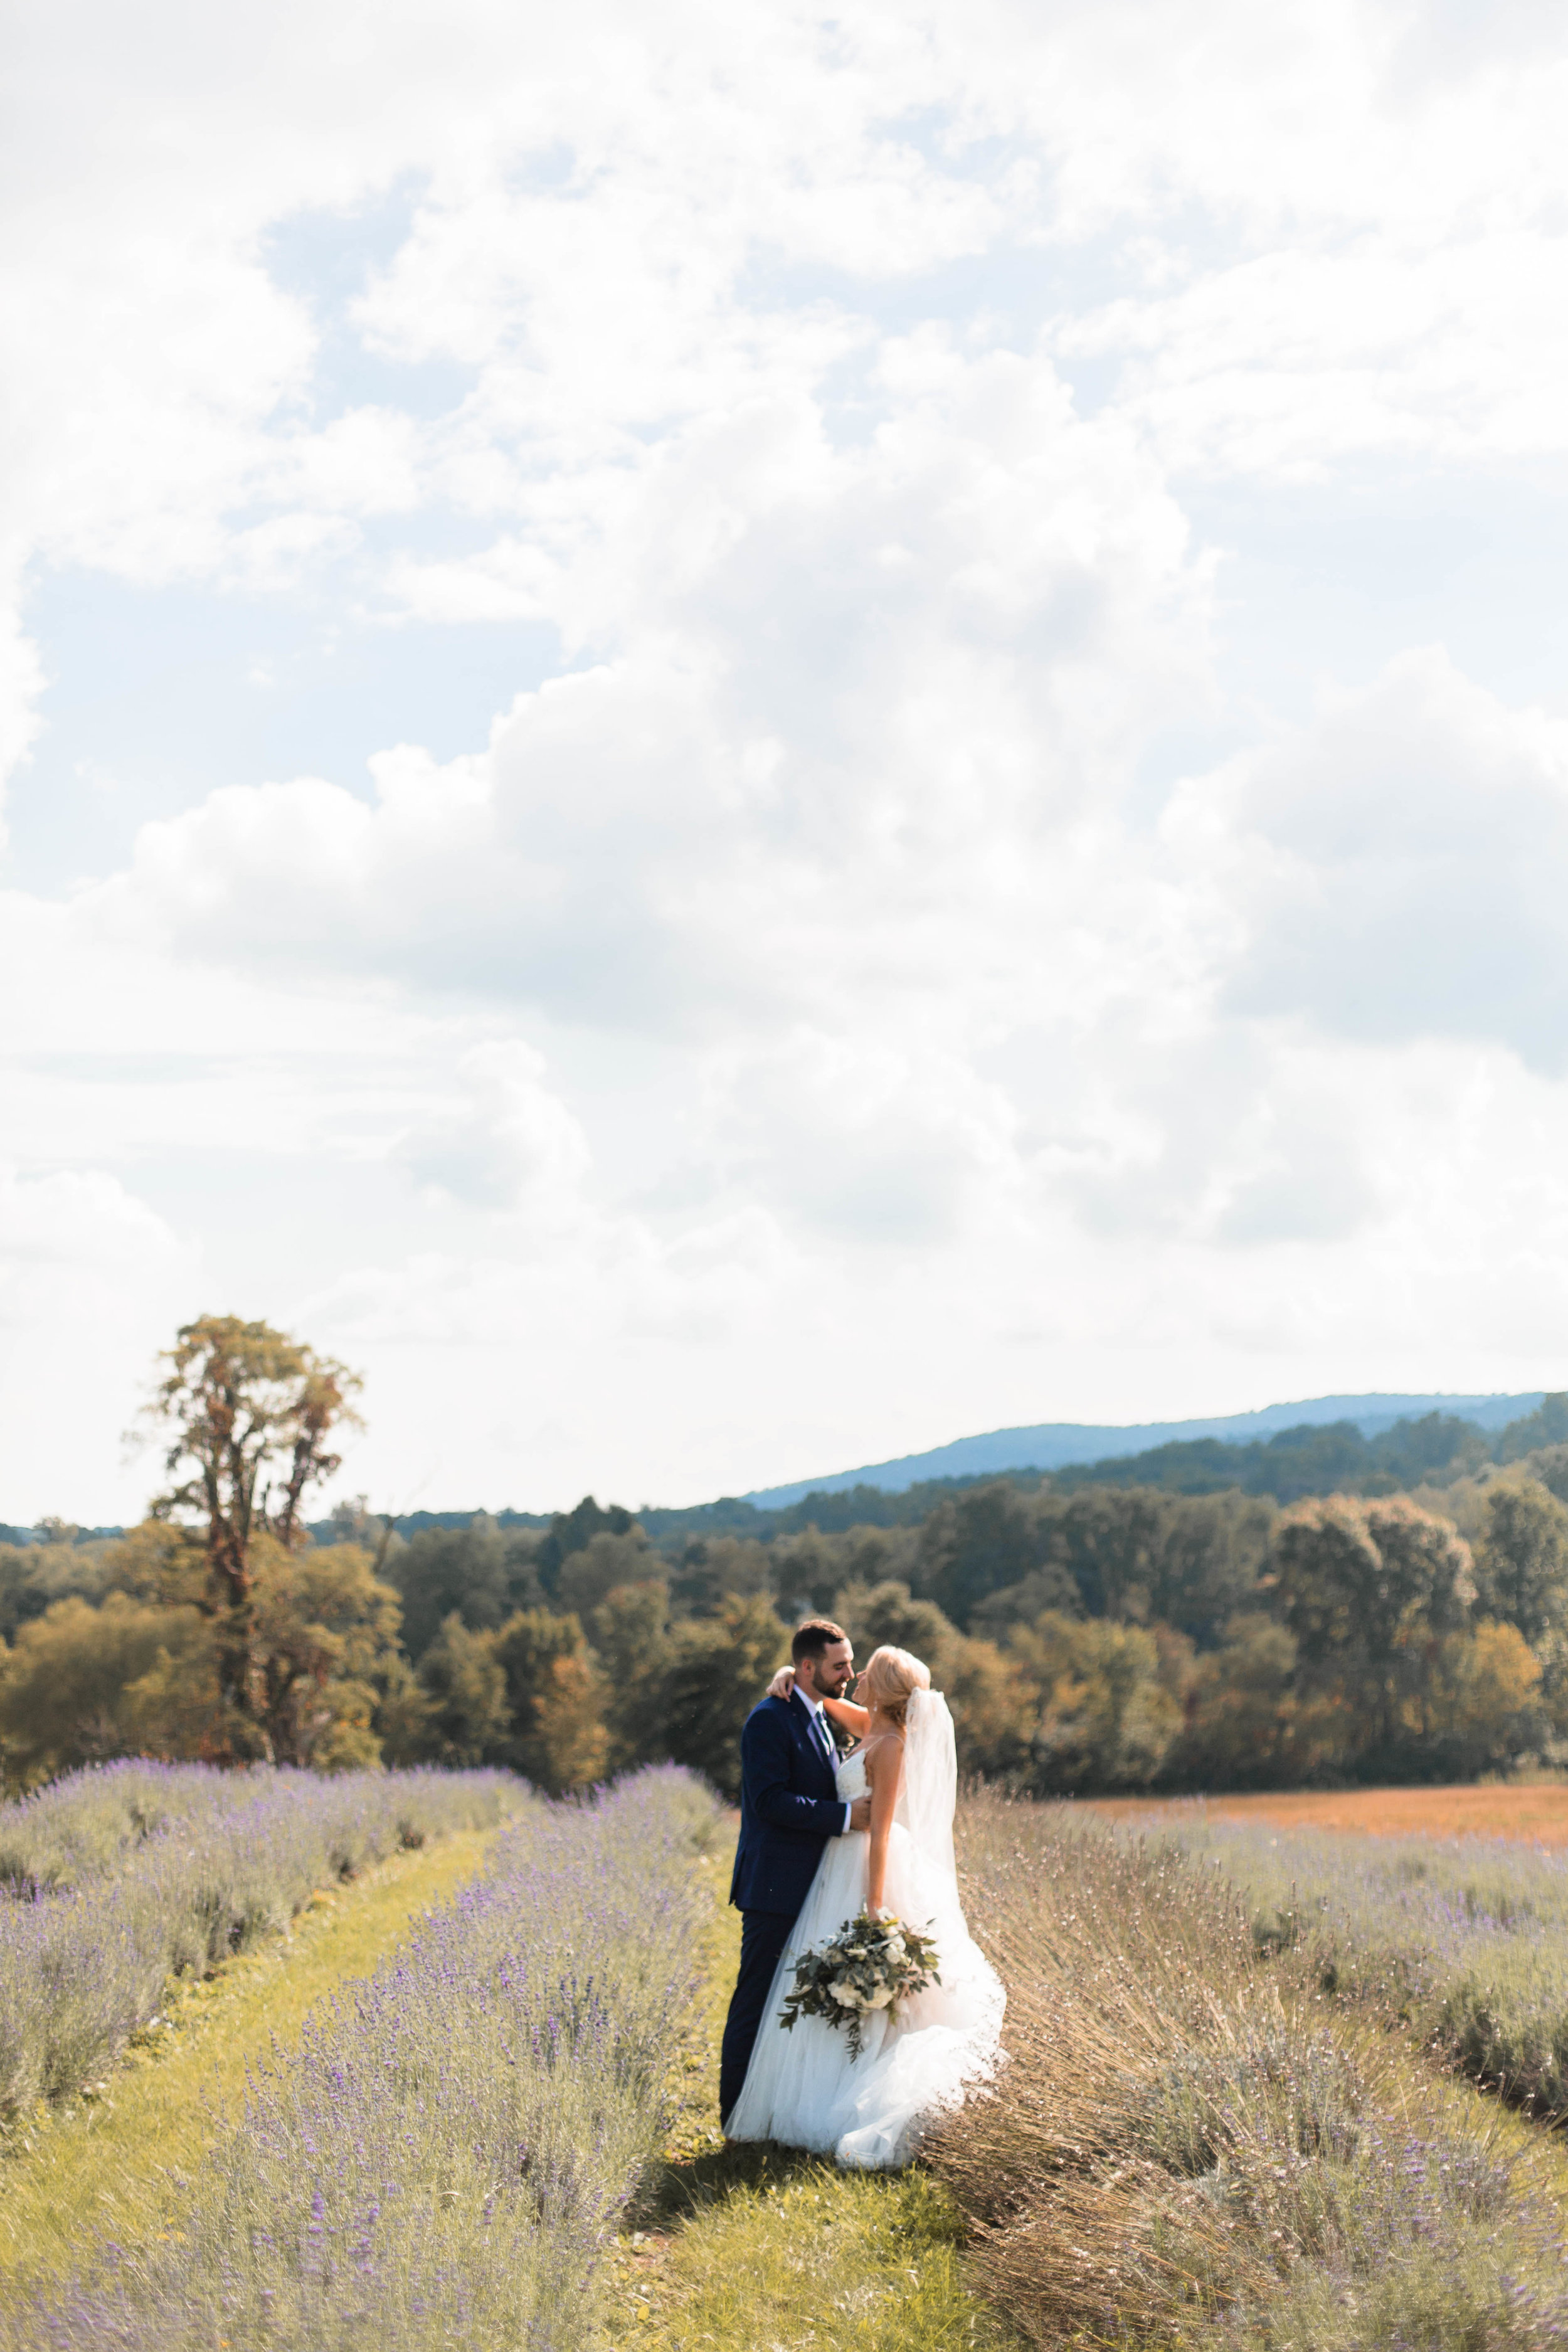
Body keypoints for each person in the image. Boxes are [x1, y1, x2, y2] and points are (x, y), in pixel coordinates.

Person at [723, 1640, 1004, 2168]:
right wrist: (788, 1673)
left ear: (885, 1686)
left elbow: (880, 1831)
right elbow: (822, 1699)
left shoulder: (892, 1743)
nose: (855, 1676)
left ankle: (847, 2099)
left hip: (867, 1868)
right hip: (833, 1868)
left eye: (865, 1670)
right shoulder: (867, 1724)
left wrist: (875, 1904)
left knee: (867, 1992)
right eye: (848, 1668)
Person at [719, 1618, 874, 2132]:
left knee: (789, 2001)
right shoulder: (770, 1719)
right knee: (755, 1999)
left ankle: (773, 2112)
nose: (850, 1672)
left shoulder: (815, 1711)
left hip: (811, 1884)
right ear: (809, 1667)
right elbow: (770, 1800)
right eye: (840, 1665)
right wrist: (849, 1818)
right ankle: (734, 2120)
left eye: (850, 1662)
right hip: (774, 1887)